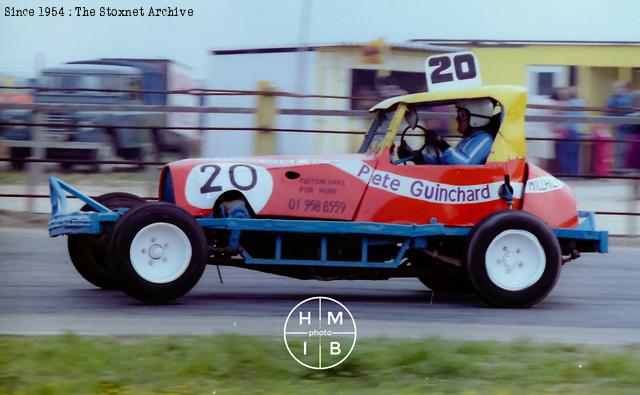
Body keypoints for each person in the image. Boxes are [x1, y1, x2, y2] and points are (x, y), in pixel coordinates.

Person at [398, 99, 495, 165]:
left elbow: (464, 165)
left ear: (476, 118)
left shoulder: (484, 139)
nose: (457, 119)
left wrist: (441, 144)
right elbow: (446, 162)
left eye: (462, 115)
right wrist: (418, 157)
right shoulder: (469, 139)